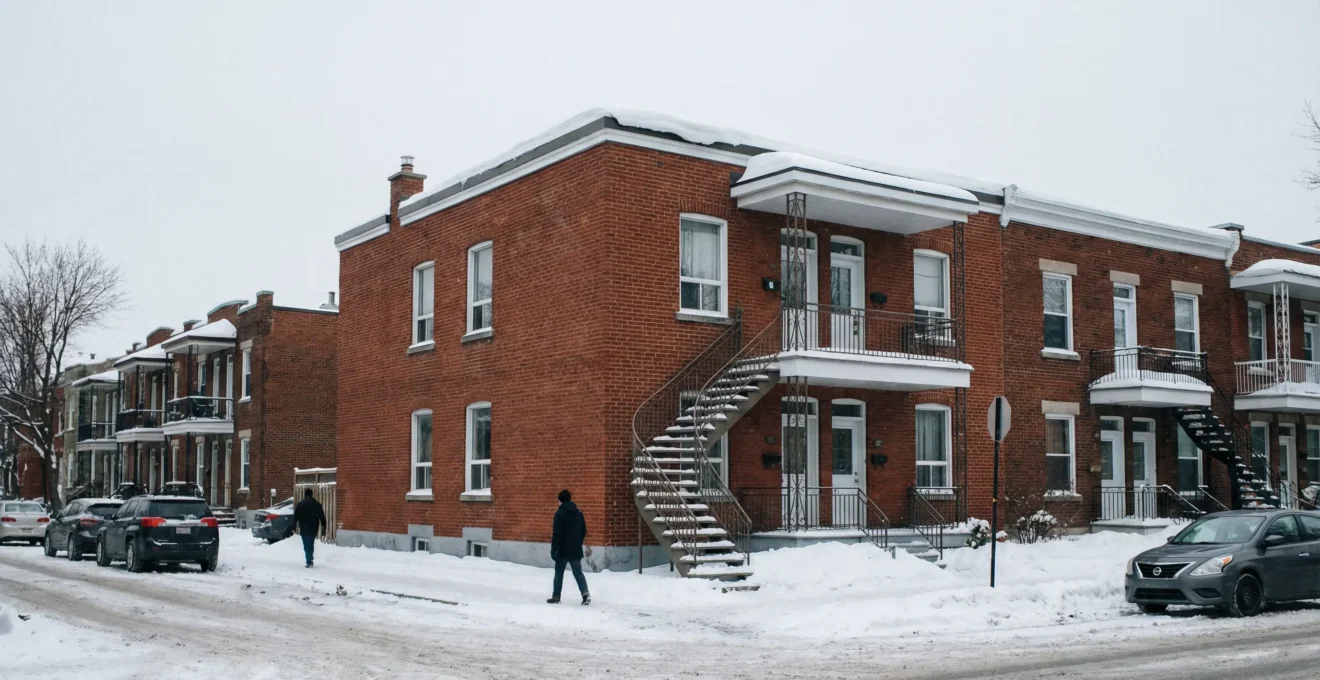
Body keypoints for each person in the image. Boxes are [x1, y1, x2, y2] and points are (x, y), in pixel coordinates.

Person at [548, 489, 589, 605]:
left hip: (562, 549)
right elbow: (583, 530)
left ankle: (556, 596)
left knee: (559, 573)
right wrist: (578, 542)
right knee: (578, 572)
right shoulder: (579, 513)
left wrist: (554, 549)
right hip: (575, 548)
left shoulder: (559, 514)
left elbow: (557, 534)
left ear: (560, 501)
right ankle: (585, 594)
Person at [292, 489, 327, 568]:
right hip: (314, 527)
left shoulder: (300, 504)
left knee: (306, 544)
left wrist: (294, 526)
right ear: (312, 494)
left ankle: (309, 559)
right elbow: (322, 518)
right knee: (311, 543)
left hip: (304, 527)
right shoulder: (317, 504)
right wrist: (323, 528)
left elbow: (295, 516)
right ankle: (310, 557)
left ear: (305, 494)